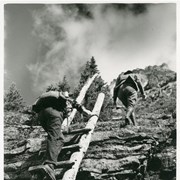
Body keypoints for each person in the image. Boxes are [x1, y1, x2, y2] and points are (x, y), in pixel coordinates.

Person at [32, 90, 93, 180]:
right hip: (54, 113)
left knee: (60, 138)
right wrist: (88, 113)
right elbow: (78, 106)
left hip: (41, 115)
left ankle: (47, 161)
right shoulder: (67, 100)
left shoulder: (50, 99)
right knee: (54, 136)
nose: (69, 111)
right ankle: (49, 164)